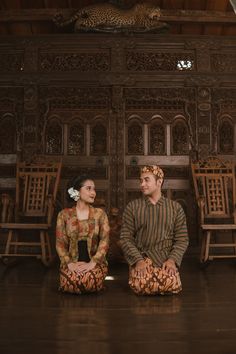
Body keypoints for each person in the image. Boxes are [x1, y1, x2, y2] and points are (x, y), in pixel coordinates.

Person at [120, 165, 189, 295]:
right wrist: (138, 261)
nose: (142, 184)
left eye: (146, 180)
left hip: (165, 260)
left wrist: (172, 260)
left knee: (171, 285)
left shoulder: (175, 208)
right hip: (142, 257)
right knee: (141, 285)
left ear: (159, 182)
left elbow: (182, 239)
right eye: (141, 181)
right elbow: (125, 238)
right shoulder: (133, 207)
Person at [56, 175, 110, 294]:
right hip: (72, 263)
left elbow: (105, 241)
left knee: (88, 281)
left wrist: (92, 263)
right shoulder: (64, 215)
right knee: (70, 282)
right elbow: (60, 243)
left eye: (94, 189)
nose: (93, 193)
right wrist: (70, 264)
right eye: (89, 188)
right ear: (77, 191)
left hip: (94, 263)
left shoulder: (100, 214)